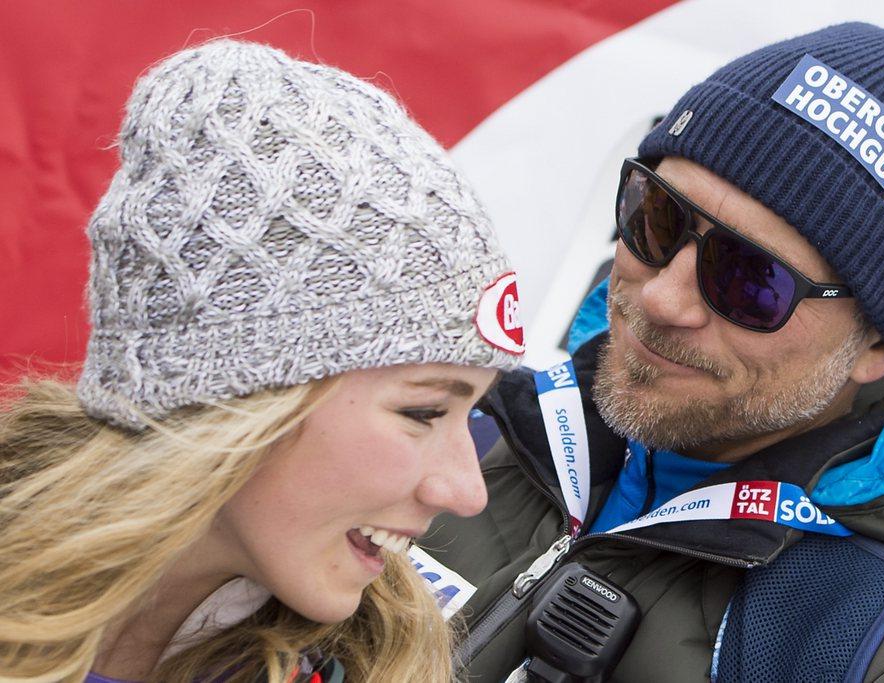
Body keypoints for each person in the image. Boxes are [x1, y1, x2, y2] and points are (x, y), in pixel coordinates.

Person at [418, 22, 884, 682]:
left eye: (751, 279)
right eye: (656, 217)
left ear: (874, 346)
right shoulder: (472, 434)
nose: (662, 300)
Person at [0, 39, 525, 683]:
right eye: (423, 411)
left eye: (471, 411)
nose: (467, 492)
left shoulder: (385, 663)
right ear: (229, 393)